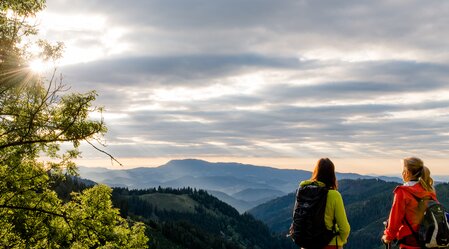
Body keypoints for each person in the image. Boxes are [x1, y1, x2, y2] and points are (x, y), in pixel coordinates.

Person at [291, 158, 350, 249]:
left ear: (316, 172)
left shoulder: (303, 191)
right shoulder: (334, 195)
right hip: (330, 245)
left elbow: (296, 217)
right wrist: (340, 240)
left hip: (306, 244)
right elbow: (345, 228)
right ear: (332, 175)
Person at [382, 157, 437, 249]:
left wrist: (387, 237)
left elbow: (395, 219)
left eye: (403, 170)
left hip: (410, 241)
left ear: (407, 172)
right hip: (429, 239)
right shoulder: (428, 190)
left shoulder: (402, 192)